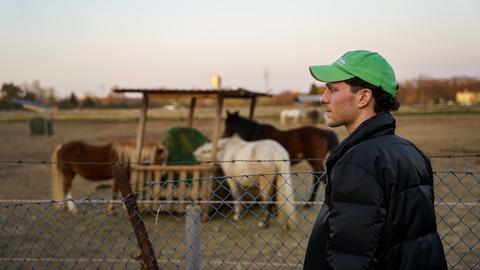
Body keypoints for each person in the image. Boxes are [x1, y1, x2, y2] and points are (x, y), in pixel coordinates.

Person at [303, 50, 447, 269]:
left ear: (363, 97)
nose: (323, 98)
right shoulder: (410, 152)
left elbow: (351, 259)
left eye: (333, 89)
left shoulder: (359, 163)